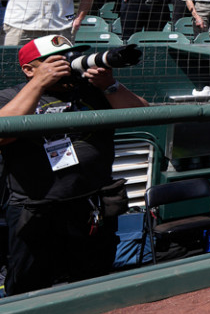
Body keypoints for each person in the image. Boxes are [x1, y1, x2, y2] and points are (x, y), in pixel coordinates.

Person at [1, 35, 147, 296]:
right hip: (35, 208)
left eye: (69, 57)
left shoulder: (93, 92)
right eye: (53, 61)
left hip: (89, 205)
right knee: (29, 287)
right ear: (28, 69)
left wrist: (110, 85)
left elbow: (143, 115)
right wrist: (39, 84)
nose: (66, 64)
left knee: (91, 283)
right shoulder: (11, 97)